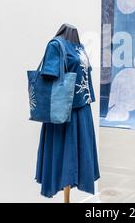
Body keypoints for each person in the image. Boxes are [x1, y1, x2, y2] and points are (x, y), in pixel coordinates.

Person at [35, 24, 100, 198]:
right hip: (64, 111)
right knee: (64, 154)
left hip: (82, 109)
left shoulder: (80, 47)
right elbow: (48, 74)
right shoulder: (55, 45)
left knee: (78, 155)